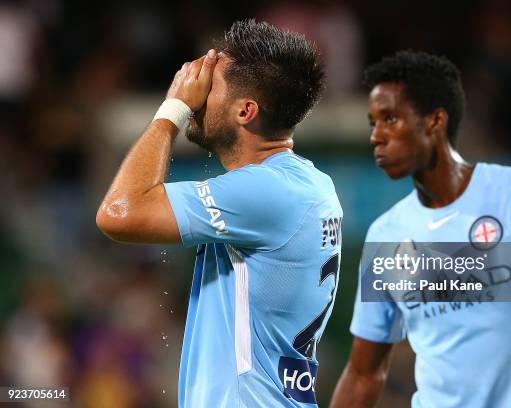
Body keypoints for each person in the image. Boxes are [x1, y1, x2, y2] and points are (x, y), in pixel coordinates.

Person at [96, 20, 343, 408]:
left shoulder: (268, 192)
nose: (197, 90)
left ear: (246, 111)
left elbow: (119, 213)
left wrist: (172, 109)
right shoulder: (306, 185)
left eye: (211, 86)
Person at [330, 51, 511, 408]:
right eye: (372, 122)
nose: (376, 136)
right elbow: (363, 374)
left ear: (435, 120)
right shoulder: (385, 235)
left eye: (390, 119)